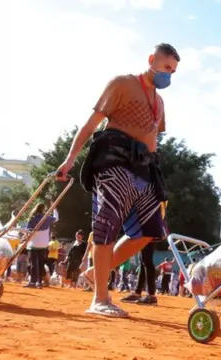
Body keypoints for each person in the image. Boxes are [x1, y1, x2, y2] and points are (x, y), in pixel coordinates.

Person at [55, 40, 178, 317]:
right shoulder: (122, 83)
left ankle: (93, 272)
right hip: (113, 160)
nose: (168, 74)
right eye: (166, 67)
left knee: (152, 231)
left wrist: (156, 174)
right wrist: (70, 158)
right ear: (151, 60)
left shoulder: (159, 102)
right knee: (107, 225)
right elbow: (92, 122)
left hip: (143, 167)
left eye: (173, 71)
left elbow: (153, 139)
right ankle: (100, 299)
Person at [24, 203, 58, 289]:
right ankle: (39, 282)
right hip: (44, 244)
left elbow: (28, 231)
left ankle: (33, 282)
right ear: (43, 209)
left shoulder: (32, 219)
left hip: (34, 244)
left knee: (33, 264)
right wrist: (54, 209)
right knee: (40, 264)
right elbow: (56, 218)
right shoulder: (47, 218)